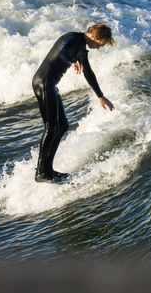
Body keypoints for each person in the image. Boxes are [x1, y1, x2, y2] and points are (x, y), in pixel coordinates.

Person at [32, 24, 116, 183]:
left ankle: (48, 170)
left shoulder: (82, 49)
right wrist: (72, 62)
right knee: (51, 127)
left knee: (62, 126)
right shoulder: (72, 38)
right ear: (93, 36)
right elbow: (63, 52)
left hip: (51, 85)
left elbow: (88, 72)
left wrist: (100, 96)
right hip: (43, 82)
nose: (98, 48)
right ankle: (41, 173)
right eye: (99, 44)